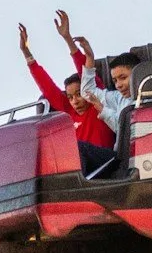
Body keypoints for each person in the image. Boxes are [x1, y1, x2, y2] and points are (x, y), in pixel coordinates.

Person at [18, 22, 115, 170]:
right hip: (82, 165)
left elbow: (86, 72)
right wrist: (26, 53)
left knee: (78, 148)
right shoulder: (70, 113)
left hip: (106, 160)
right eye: (70, 97)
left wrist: (68, 39)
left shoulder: (98, 102)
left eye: (78, 95)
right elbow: (47, 87)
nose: (74, 101)